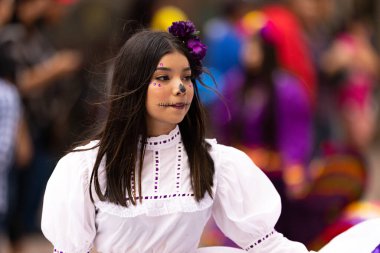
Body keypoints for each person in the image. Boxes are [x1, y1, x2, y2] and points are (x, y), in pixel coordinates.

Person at [40, 21, 376, 253]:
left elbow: (265, 244)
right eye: (164, 77)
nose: (181, 88)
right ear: (133, 85)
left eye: (186, 76)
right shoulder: (85, 167)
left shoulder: (214, 163)